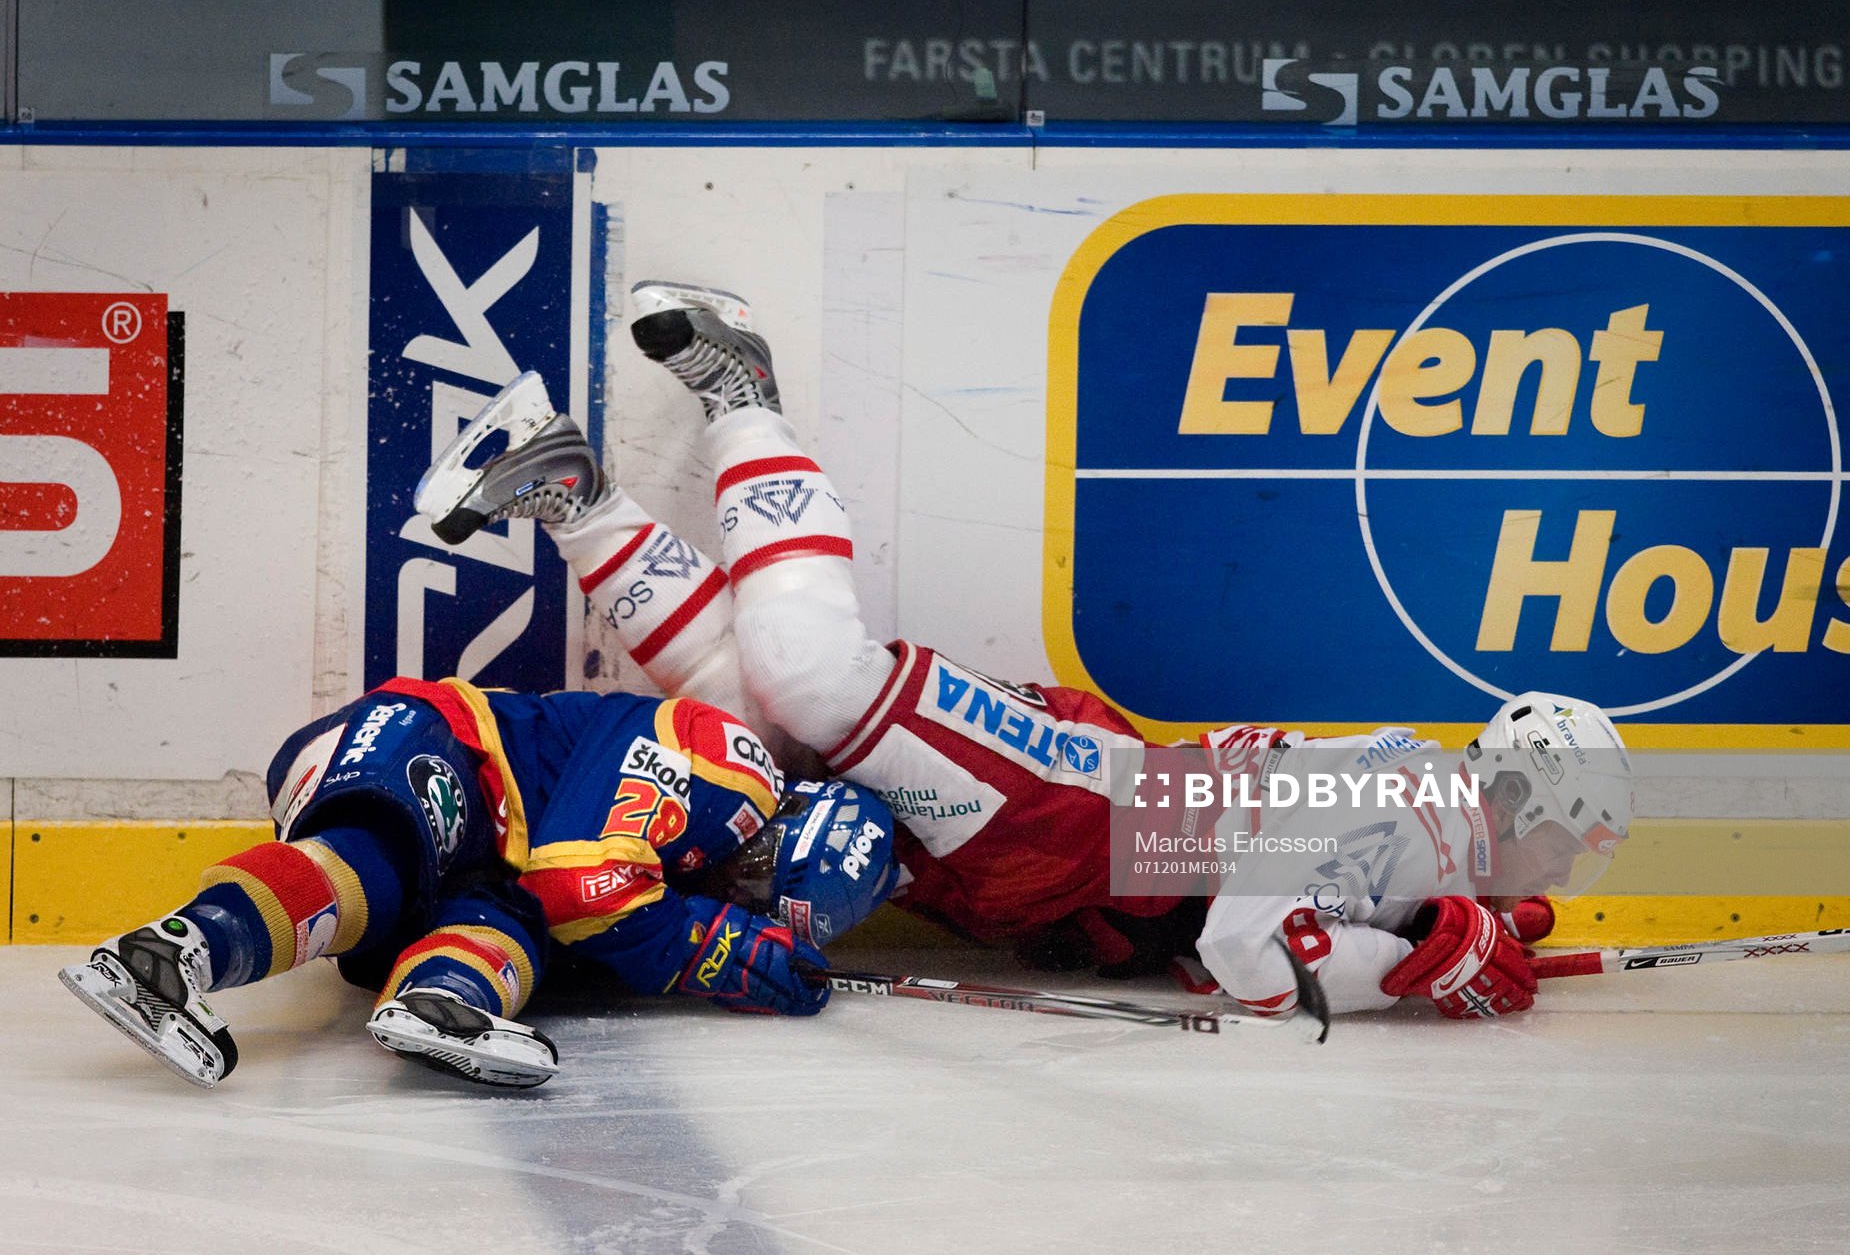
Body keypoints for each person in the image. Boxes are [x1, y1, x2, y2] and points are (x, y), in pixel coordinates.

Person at [411, 279, 1634, 1024]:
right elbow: (1249, 956)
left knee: (752, 725)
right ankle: (739, 387)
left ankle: (574, 492)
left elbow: (1249, 941)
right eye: (1580, 823)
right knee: (807, 677)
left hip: (1065, 858)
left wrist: (1446, 928)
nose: (1581, 852)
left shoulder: (1426, 833)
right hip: (1075, 807)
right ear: (1525, 787)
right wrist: (1416, 962)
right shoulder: (1414, 800)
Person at [60, 672, 898, 1089]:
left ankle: (439, 1004)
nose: (738, 892)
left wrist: (708, 944)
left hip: (498, 855)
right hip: (436, 740)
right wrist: (706, 948)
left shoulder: (681, 870)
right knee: (382, 860)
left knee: (516, 929)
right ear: (781, 820)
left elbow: (562, 899)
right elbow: (583, 878)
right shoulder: (733, 764)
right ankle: (167, 955)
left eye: (757, 901)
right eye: (756, 872)